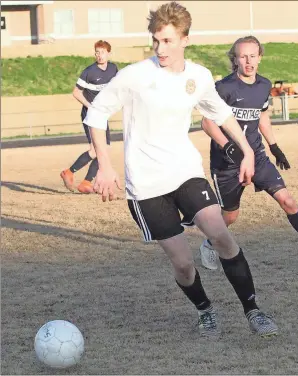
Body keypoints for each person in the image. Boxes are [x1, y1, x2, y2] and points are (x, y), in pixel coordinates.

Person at [84, 2, 278, 338]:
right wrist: (104, 165)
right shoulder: (134, 76)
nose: (161, 48)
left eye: (169, 41)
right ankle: (205, 310)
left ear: (185, 40)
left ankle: (253, 310)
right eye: (157, 41)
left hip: (185, 172)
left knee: (220, 235)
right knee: (184, 264)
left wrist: (247, 150)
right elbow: (97, 115)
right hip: (145, 185)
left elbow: (221, 114)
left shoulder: (198, 76)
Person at [199, 36, 298, 270]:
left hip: (257, 157)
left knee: (288, 200)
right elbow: (207, 123)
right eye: (242, 56)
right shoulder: (223, 87)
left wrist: (274, 147)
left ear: (260, 57)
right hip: (227, 164)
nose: (248, 61)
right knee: (230, 216)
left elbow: (262, 117)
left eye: (252, 56)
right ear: (234, 59)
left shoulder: (265, 85)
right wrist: (230, 148)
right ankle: (208, 243)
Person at [60, 40, 118, 193]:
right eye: (97, 52)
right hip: (90, 114)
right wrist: (91, 107)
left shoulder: (113, 69)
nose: (99, 55)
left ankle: (86, 182)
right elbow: (76, 92)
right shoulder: (89, 71)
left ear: (109, 53)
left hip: (102, 114)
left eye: (102, 52)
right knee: (95, 150)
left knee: (103, 149)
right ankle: (69, 172)